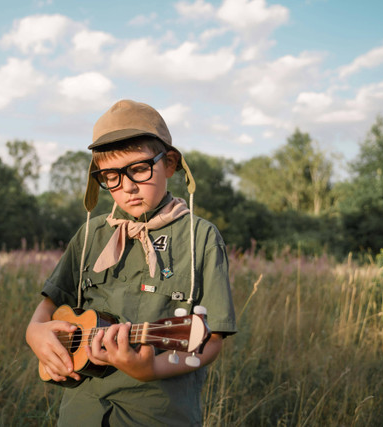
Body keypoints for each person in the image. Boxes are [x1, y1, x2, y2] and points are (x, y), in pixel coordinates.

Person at [26, 100, 236, 426]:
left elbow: (210, 342)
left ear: (169, 163)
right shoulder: (91, 235)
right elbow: (48, 306)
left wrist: (151, 369)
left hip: (157, 414)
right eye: (111, 176)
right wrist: (34, 333)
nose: (127, 187)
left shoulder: (201, 238)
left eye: (139, 169)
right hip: (81, 412)